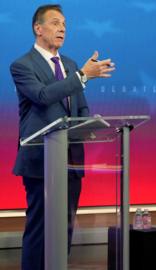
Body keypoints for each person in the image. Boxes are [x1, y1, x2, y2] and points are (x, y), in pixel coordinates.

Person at [10, 4, 115, 270]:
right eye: (56, 23)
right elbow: (43, 96)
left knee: (65, 228)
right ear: (38, 28)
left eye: (65, 25)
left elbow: (80, 108)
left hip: (71, 162)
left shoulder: (68, 64)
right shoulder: (22, 65)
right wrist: (82, 76)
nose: (62, 29)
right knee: (40, 229)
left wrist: (89, 124)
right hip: (40, 161)